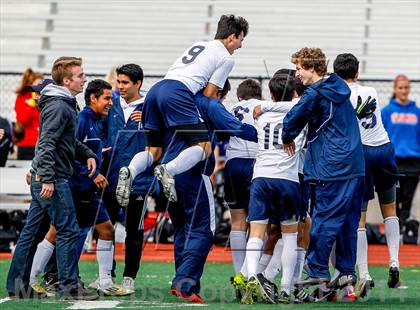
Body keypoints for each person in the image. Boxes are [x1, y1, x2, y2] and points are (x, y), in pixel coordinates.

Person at [116, 14, 249, 204]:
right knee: (205, 146)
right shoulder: (226, 58)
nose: (240, 46)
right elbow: (209, 95)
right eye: (241, 40)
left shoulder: (201, 44)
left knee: (153, 149)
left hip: (157, 90)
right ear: (232, 36)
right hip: (178, 92)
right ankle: (169, 170)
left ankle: (131, 170)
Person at [6, 56, 98, 300]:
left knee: (32, 232)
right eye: (80, 75)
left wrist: (86, 153)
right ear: (67, 81)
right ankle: (69, 287)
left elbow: (62, 142)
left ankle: (18, 286)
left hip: (47, 176)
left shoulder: (60, 102)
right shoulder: (59, 105)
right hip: (52, 179)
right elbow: (47, 144)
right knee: (68, 229)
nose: (85, 79)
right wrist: (47, 177)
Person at [28, 79, 130, 296]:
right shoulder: (82, 119)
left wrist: (96, 155)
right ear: (92, 98)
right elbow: (66, 153)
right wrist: (92, 174)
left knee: (105, 229)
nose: (110, 103)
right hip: (75, 187)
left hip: (86, 190)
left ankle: (104, 281)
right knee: (56, 232)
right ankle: (34, 279)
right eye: (106, 98)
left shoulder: (94, 120)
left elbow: (81, 150)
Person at [282, 48, 364, 301]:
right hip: (354, 162)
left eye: (299, 68)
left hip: (332, 164)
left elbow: (291, 120)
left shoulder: (314, 93)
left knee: (325, 217)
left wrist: (287, 137)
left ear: (312, 68)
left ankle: (317, 270)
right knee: (348, 220)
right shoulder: (337, 84)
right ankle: (347, 270)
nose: (296, 73)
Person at [165, 80, 257, 303]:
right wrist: (260, 132)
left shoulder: (175, 101)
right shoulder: (209, 104)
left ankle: (183, 280)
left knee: (182, 228)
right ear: (218, 92)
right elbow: (234, 127)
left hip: (167, 169)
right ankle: (184, 281)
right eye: (222, 96)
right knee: (204, 229)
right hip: (194, 173)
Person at [334, 53, 401, 297]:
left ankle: (365, 274)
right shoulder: (371, 90)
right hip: (383, 148)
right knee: (390, 209)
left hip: (360, 154)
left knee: (359, 218)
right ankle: (394, 262)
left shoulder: (338, 96)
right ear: (357, 72)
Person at [240, 74, 305, 304]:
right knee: (290, 236)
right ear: (295, 92)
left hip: (262, 178)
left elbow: (271, 105)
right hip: (288, 179)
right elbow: (296, 104)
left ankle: (250, 277)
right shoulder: (299, 112)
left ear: (273, 94)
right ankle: (286, 288)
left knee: (256, 233)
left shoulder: (261, 113)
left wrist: (265, 104)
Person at [101, 64, 155, 294]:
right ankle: (107, 275)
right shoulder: (109, 103)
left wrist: (149, 120)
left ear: (138, 83)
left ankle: (129, 277)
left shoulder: (151, 108)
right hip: (110, 178)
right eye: (118, 81)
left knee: (134, 230)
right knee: (106, 228)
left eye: (125, 83)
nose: (120, 86)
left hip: (138, 180)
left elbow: (160, 138)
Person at [223, 79, 260, 295]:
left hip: (234, 163)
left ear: (239, 97)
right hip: (257, 164)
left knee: (237, 221)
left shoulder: (230, 108)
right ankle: (250, 273)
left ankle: (239, 274)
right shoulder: (262, 106)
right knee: (258, 222)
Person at [381, 74, 420, 227]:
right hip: (394, 162)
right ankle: (394, 230)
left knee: (408, 199)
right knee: (394, 199)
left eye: (406, 88)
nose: (404, 91)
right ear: (395, 89)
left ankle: (403, 229)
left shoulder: (417, 112)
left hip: (413, 162)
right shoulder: (386, 111)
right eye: (401, 88)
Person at [14, 68, 44, 160]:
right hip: (26, 145)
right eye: (37, 84)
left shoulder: (44, 97)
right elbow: (22, 121)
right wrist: (30, 106)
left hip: (42, 145)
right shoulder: (22, 98)